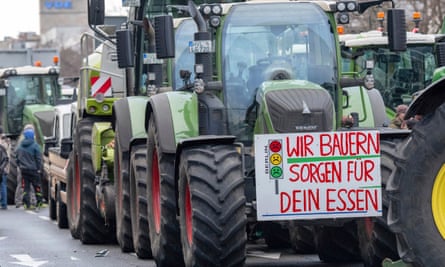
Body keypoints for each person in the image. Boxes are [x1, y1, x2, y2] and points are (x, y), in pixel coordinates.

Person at [16, 127, 43, 211]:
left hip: (23, 170)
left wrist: (20, 166)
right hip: (34, 170)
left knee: (25, 188)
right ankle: (38, 203)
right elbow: (39, 159)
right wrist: (39, 168)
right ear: (32, 136)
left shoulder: (20, 146)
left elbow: (17, 159)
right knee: (37, 187)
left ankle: (26, 204)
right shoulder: (35, 146)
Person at [0, 126, 9, 210]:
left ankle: (3, 203)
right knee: (3, 185)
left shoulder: (2, 144)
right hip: (3, 168)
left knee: (2, 185)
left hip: (2, 168)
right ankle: (4, 203)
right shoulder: (5, 142)